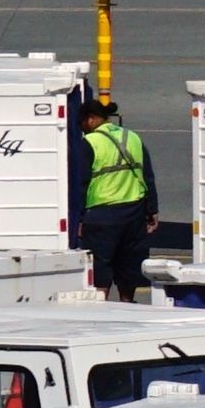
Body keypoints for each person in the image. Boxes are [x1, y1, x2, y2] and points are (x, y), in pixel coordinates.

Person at [74, 85, 157, 299]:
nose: (82, 129)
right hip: (134, 213)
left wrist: (79, 218)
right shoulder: (133, 137)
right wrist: (152, 211)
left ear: (92, 119)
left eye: (82, 123)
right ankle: (127, 305)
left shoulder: (90, 142)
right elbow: (147, 176)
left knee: (101, 267)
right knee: (128, 266)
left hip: (102, 216)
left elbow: (81, 183)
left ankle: (102, 307)